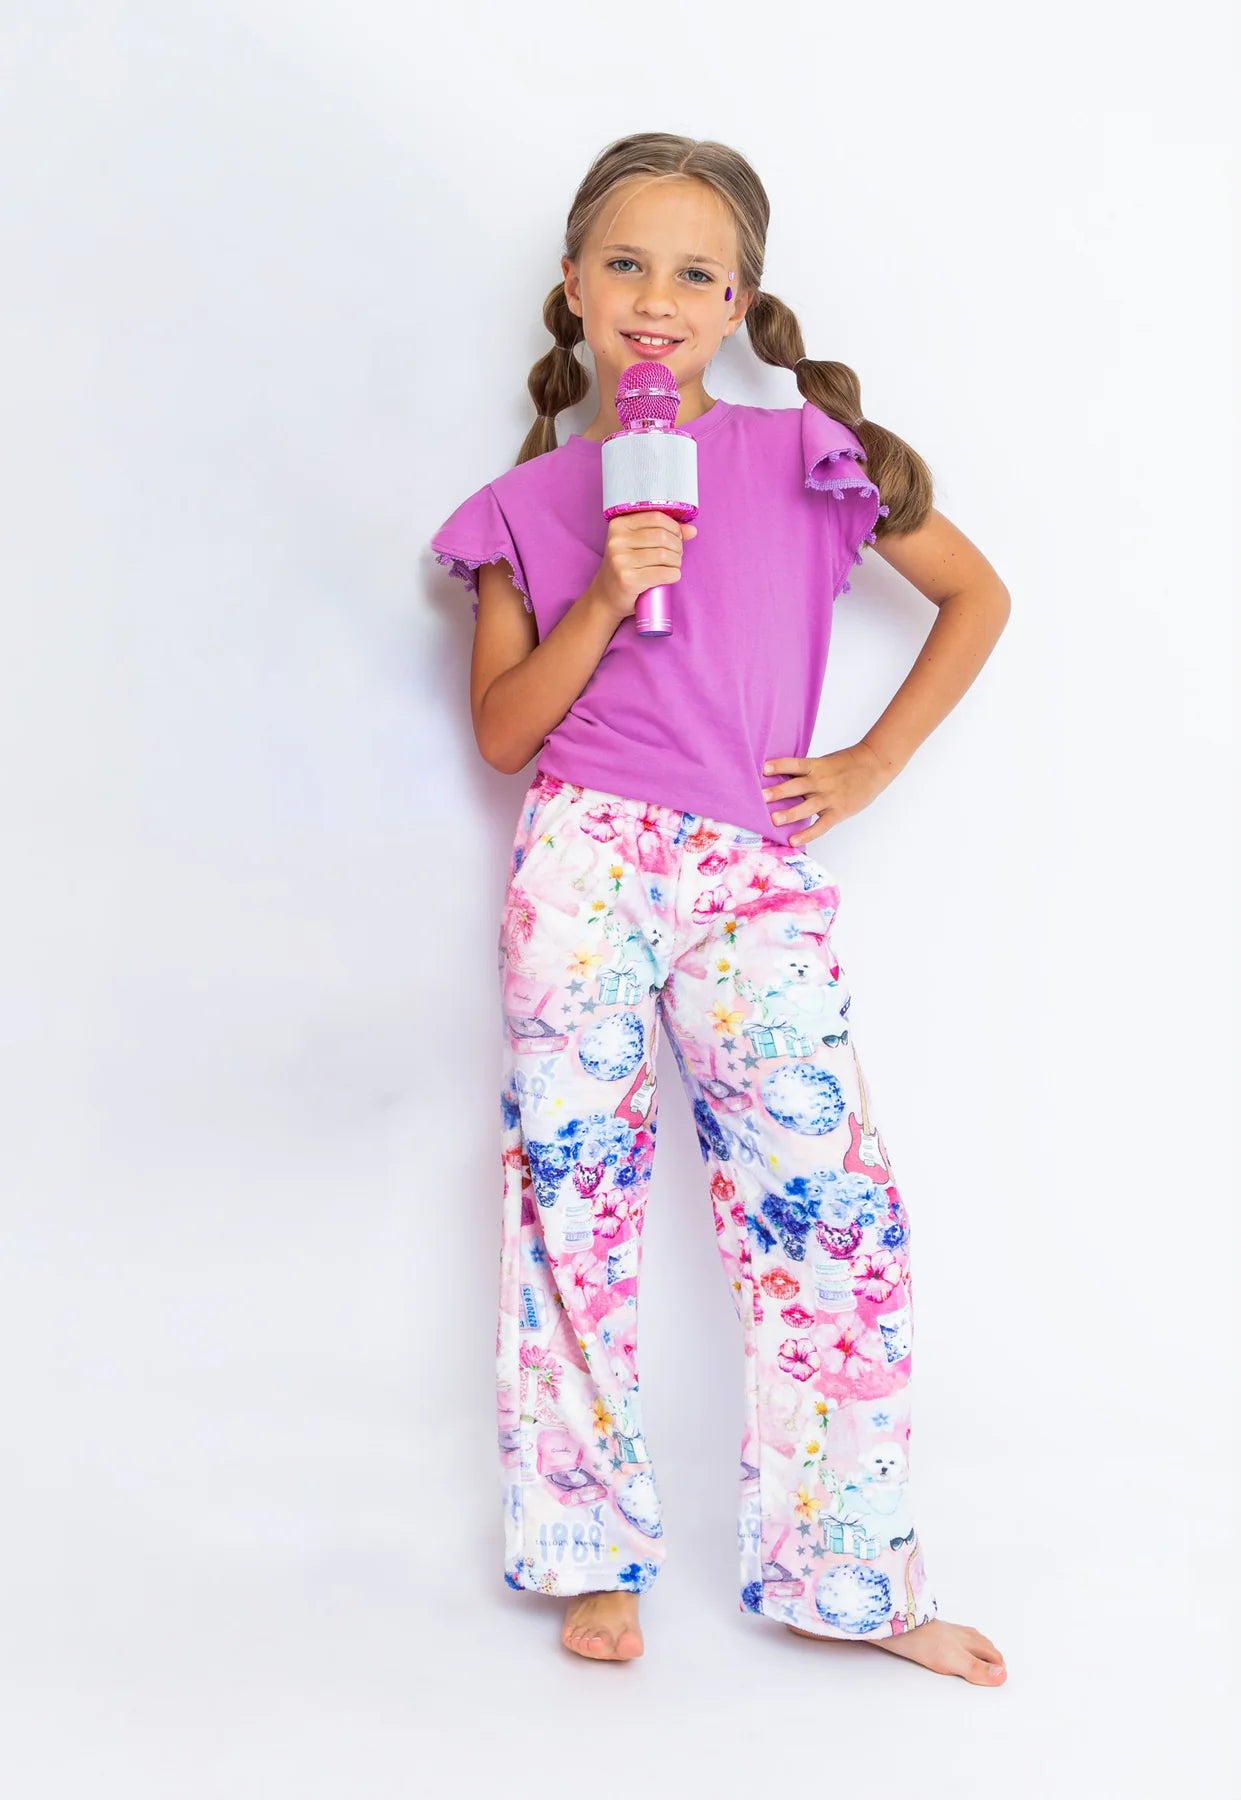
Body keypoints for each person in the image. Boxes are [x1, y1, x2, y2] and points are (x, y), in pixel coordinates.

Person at [427, 133, 1011, 1685]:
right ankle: (585, 1555)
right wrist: (607, 593)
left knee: (830, 1212)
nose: (655, 298)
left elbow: (976, 594)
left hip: (750, 870)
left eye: (695, 274)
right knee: (571, 1199)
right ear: (572, 285)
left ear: (738, 302)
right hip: (584, 863)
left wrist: (871, 760)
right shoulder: (526, 504)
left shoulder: (806, 454)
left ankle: (849, 1579)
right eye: (624, 264)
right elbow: (502, 732)